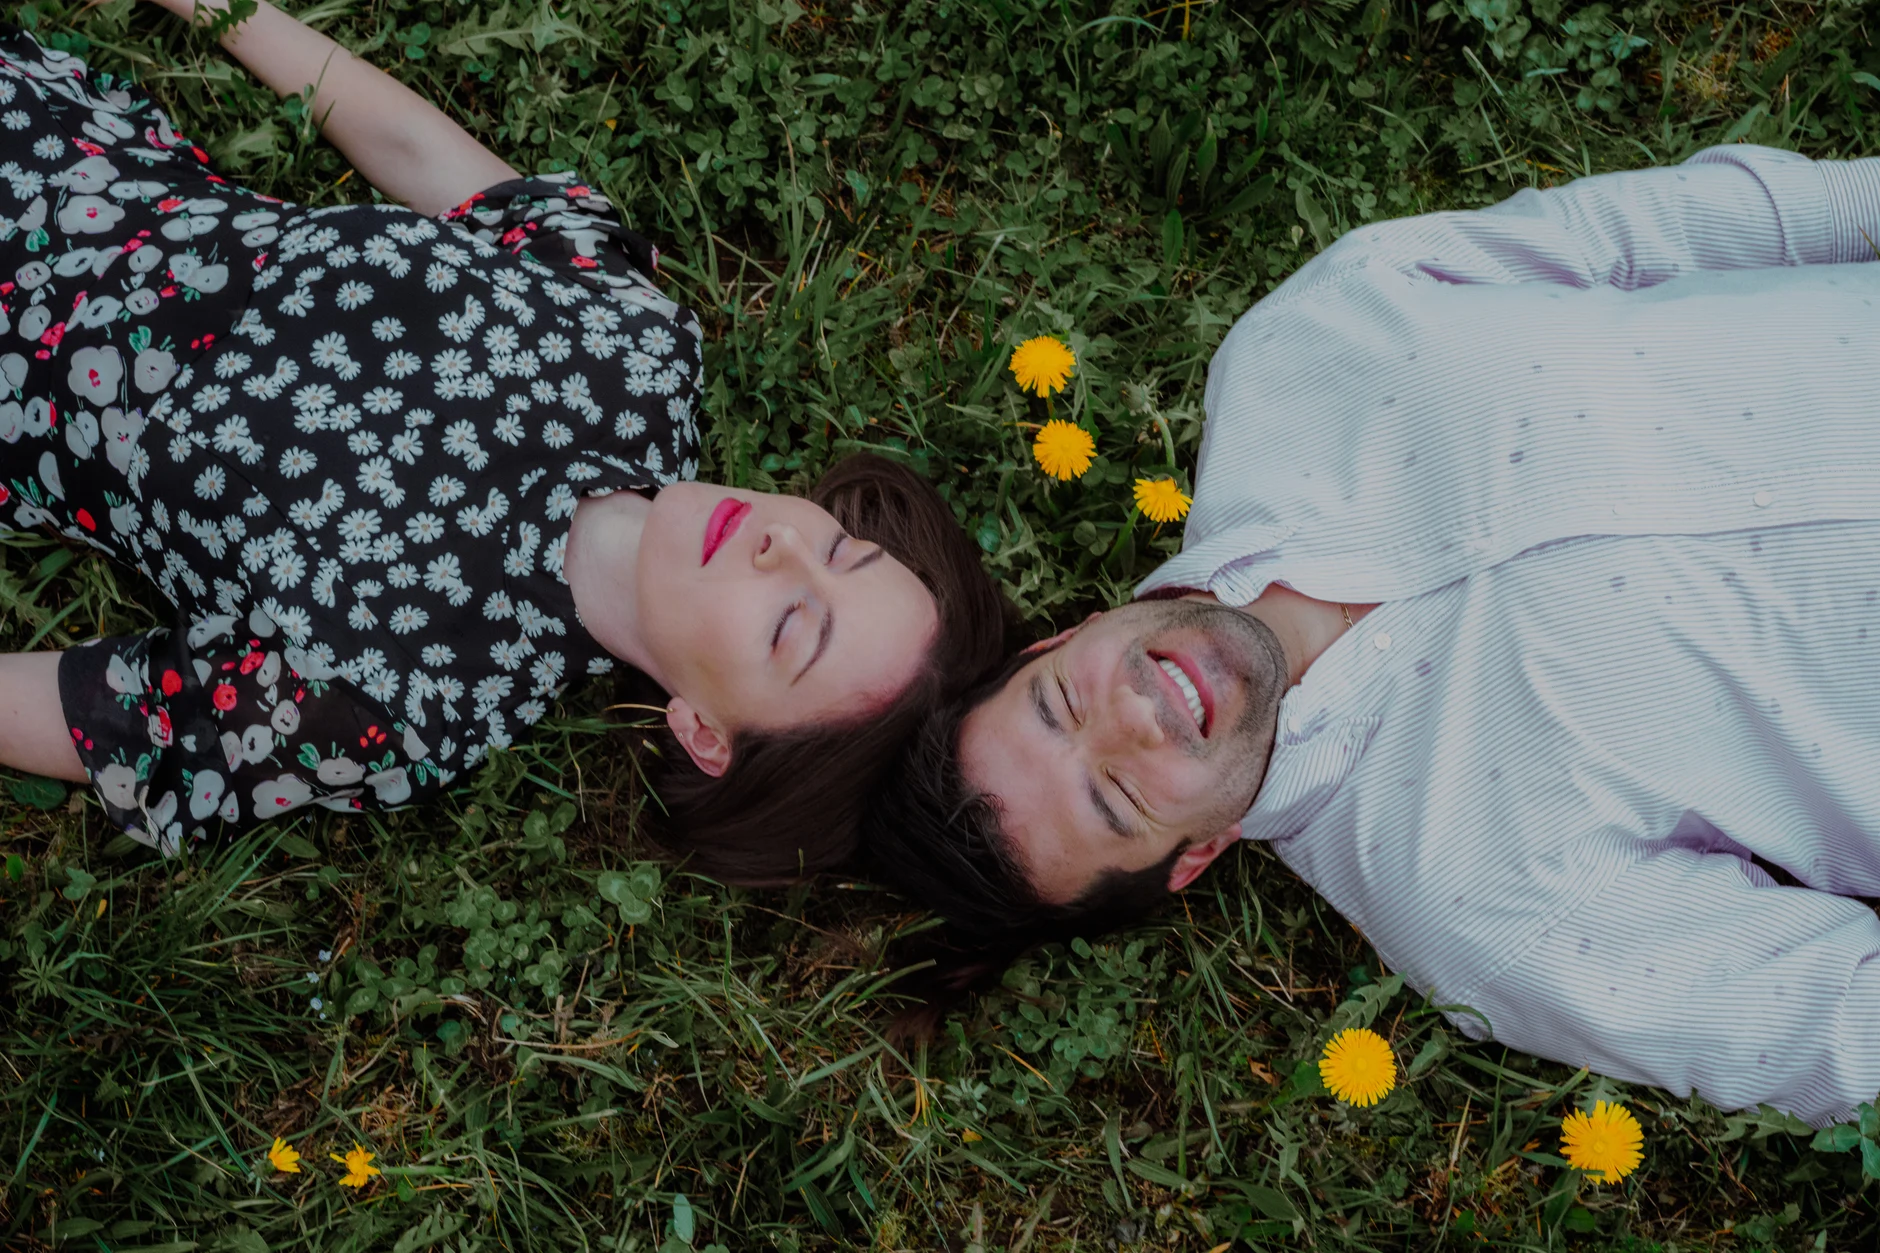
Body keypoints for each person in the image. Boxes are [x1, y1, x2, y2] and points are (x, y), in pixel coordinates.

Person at [865, 144, 1880, 1126]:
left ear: (1060, 638)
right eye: (1118, 794)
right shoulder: (1475, 908)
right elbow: (1833, 1024)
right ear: (1194, 856)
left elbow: (1655, 231)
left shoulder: (1293, 352)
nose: (1133, 713)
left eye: (1061, 705)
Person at [0, 4, 1009, 875]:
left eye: (789, 625)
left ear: (703, 729)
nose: (778, 542)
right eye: (838, 547)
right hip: (55, 142)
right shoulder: (639, 351)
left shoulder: (395, 702)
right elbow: (420, 153)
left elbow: (108, 720)